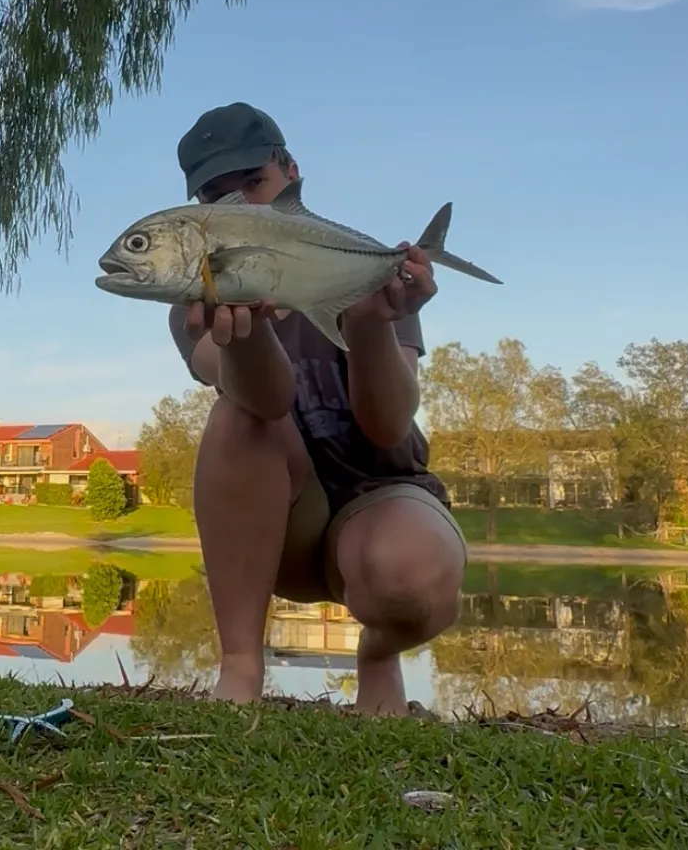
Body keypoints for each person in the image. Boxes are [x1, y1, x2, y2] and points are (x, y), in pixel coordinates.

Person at [167, 101, 467, 715]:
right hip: (279, 527)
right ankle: (241, 668)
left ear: (291, 173)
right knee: (236, 414)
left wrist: (370, 326)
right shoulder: (194, 302)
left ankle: (378, 656)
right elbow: (265, 400)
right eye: (217, 196)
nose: (243, 208)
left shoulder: (364, 268)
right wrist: (247, 336)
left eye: (254, 183)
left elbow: (388, 425)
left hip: (382, 500)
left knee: (411, 578)